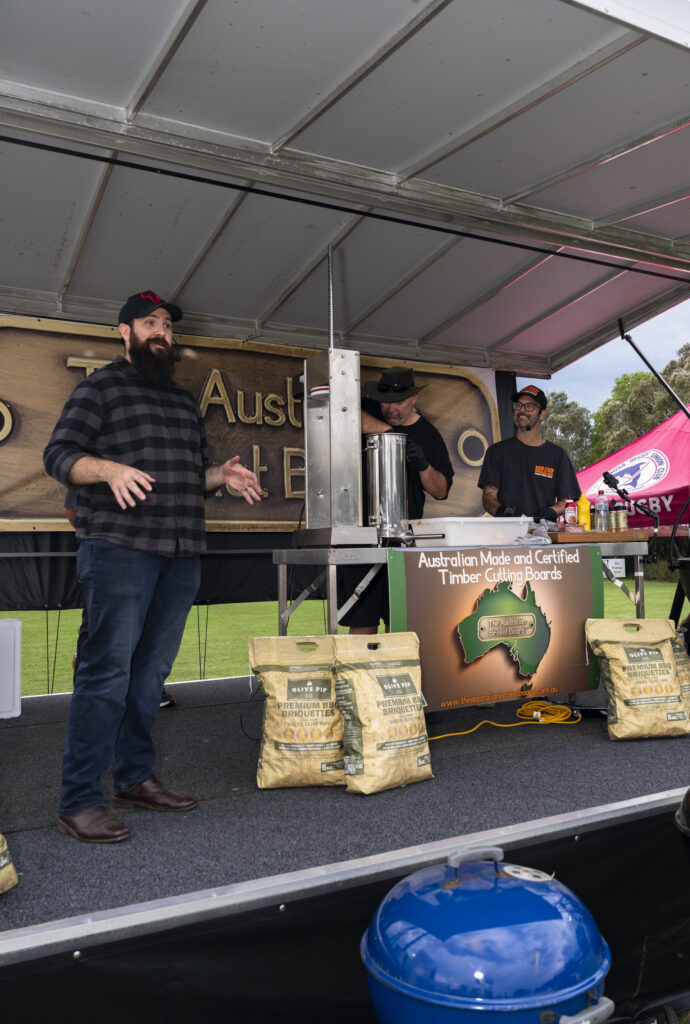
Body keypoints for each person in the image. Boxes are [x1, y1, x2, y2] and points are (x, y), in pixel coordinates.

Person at [44, 290, 261, 844]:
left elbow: (191, 475)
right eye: (149, 322)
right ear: (125, 332)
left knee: (149, 676)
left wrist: (221, 478)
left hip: (181, 552)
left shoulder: (184, 401)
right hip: (118, 548)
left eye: (166, 324)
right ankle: (79, 799)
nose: (161, 331)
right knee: (106, 673)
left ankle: (134, 776)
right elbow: (60, 455)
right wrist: (108, 469)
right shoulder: (99, 388)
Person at [340, 366, 454, 634]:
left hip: (404, 542)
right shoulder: (369, 410)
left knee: (399, 624)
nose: (391, 409)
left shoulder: (429, 435)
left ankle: (397, 676)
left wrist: (424, 465)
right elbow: (341, 413)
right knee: (361, 624)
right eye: (386, 402)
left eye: (400, 403)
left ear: (414, 399)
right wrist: (391, 435)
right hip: (360, 537)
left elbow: (441, 490)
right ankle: (359, 677)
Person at [478, 384, 580, 520]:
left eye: (530, 406)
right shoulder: (497, 452)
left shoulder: (557, 455)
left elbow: (568, 500)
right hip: (507, 535)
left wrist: (552, 511)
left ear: (542, 414)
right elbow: (488, 497)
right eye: (519, 405)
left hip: (544, 534)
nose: (522, 410)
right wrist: (500, 510)